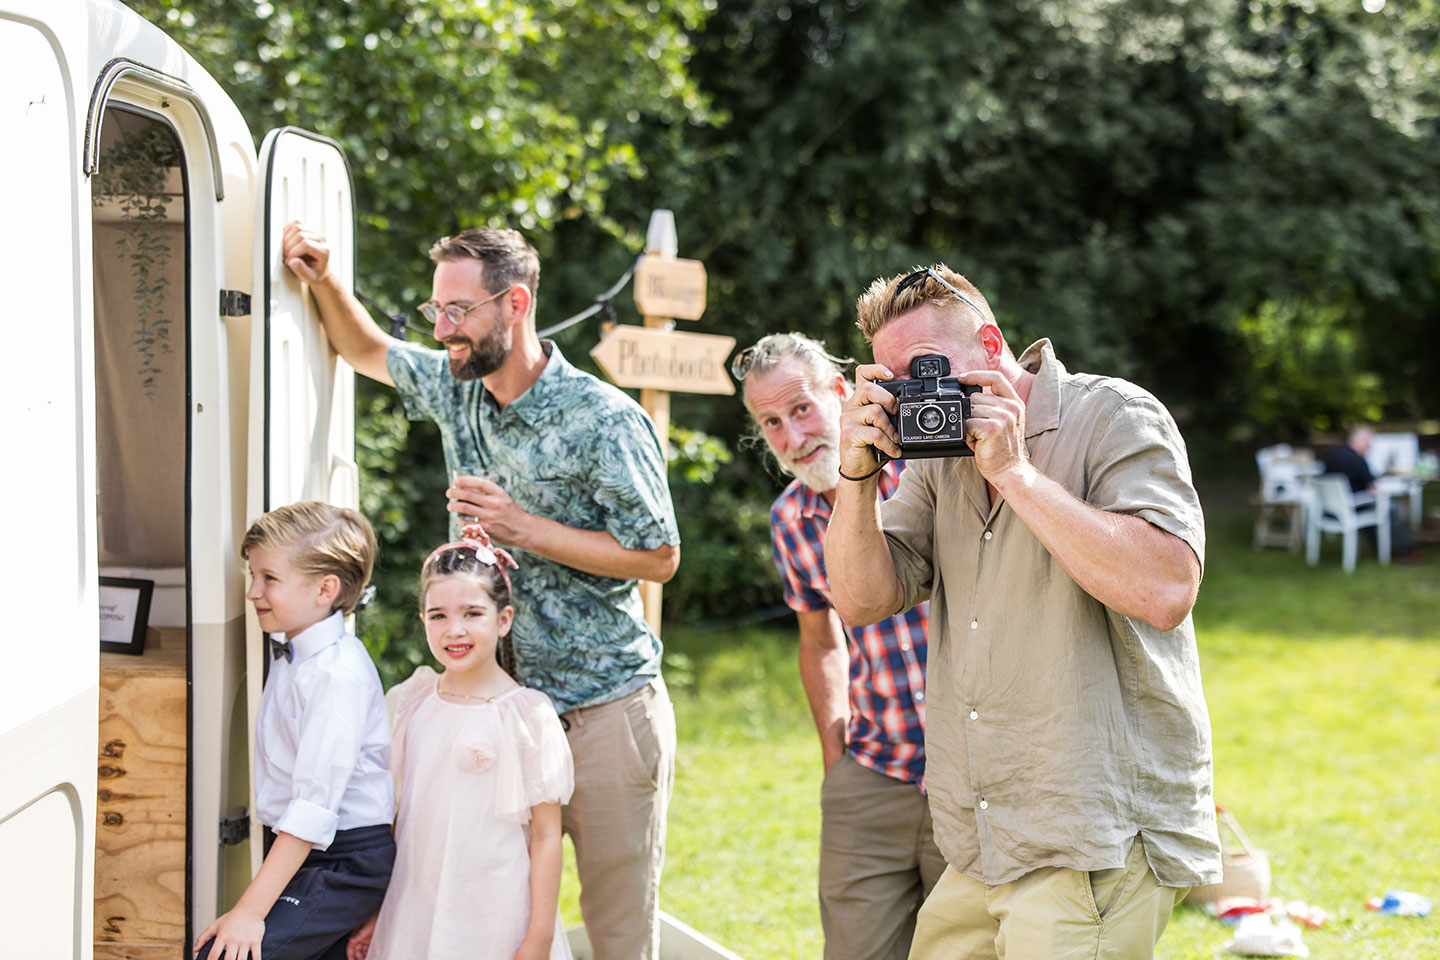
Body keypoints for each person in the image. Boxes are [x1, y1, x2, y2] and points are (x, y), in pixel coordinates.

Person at [281, 222, 680, 960]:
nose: (444, 329)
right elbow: (367, 349)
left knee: (619, 934)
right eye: (437, 311)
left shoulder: (604, 418)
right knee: (495, 923)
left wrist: (522, 526)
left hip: (603, 713)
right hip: (496, 720)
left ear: (516, 304)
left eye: (459, 311)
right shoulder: (453, 386)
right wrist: (326, 279)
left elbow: (658, 555)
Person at [824, 266, 1221, 959]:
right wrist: (855, 475)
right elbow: (861, 601)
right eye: (896, 384)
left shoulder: (1113, 415)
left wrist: (1015, 473)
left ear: (989, 339)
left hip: (1090, 837)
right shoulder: (936, 458)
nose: (918, 396)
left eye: (927, 370)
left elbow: (1166, 591)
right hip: (981, 839)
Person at [734, 332, 945, 959]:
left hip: (972, 769)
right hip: (872, 770)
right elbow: (820, 640)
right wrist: (835, 752)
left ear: (840, 391)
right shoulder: (790, 518)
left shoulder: (923, 469)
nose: (793, 437)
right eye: (771, 422)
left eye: (801, 409)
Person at [348, 528, 574, 960]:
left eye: (472, 613)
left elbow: (546, 837)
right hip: (418, 906)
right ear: (423, 621)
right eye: (438, 615)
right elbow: (398, 819)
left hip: (495, 916)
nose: (454, 630)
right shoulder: (411, 701)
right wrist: (380, 908)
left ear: (503, 620)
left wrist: (538, 938)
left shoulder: (527, 717)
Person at [196, 502, 395, 960]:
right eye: (252, 576)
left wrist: (248, 912)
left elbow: (312, 808)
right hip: (297, 849)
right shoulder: (291, 650)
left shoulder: (336, 674)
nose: (252, 592)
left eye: (269, 578)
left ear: (326, 589)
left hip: (343, 859)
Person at [1322, 426, 1422, 562]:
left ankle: (1379, 546)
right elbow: (1373, 487)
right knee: (1391, 507)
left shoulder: (1333, 455)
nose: (1369, 447)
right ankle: (1407, 550)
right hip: (1350, 507)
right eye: (1369, 443)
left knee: (1372, 506)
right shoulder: (1358, 460)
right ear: (1361, 441)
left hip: (1330, 509)